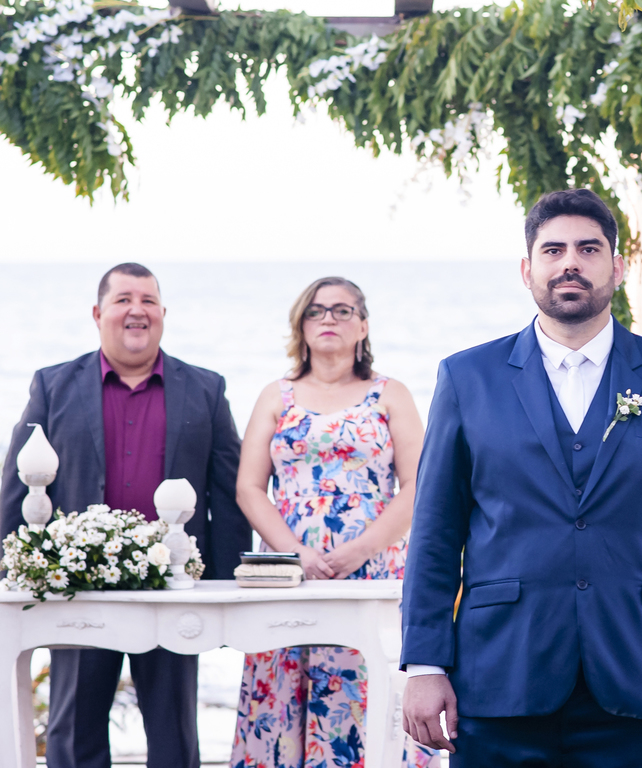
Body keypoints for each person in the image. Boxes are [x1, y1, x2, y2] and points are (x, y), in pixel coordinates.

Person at [399, 188, 642, 767]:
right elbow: (437, 530)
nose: (570, 262)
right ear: (527, 269)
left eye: (588, 249)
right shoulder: (468, 378)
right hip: (499, 680)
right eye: (553, 250)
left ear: (616, 267)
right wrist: (425, 663)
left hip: (640, 678)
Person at [0, 262, 250, 768]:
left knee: (175, 733)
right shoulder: (53, 386)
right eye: (123, 300)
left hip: (176, 584)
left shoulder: (205, 388)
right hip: (80, 585)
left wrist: (226, 592)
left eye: (148, 300)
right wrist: (10, 573)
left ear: (162, 313)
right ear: (98, 314)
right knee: (73, 731)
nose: (137, 310)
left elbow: (227, 491)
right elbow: (18, 483)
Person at [229, 276, 436, 768]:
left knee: (364, 695)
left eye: (343, 311)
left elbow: (419, 487)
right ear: (300, 326)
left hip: (374, 569)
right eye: (317, 311)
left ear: (363, 326)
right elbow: (249, 488)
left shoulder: (390, 394)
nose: (329, 319)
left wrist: (360, 549)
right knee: (281, 693)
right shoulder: (276, 396)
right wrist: (295, 554)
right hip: (288, 576)